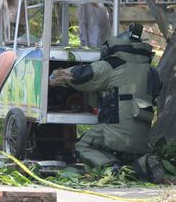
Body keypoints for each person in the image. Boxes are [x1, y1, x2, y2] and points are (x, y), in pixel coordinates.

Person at [50, 23, 164, 183]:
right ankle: (144, 162)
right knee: (126, 150)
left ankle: (110, 166)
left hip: (115, 132)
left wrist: (55, 75)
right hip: (142, 137)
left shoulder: (110, 65)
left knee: (83, 146)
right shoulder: (151, 71)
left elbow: (80, 77)